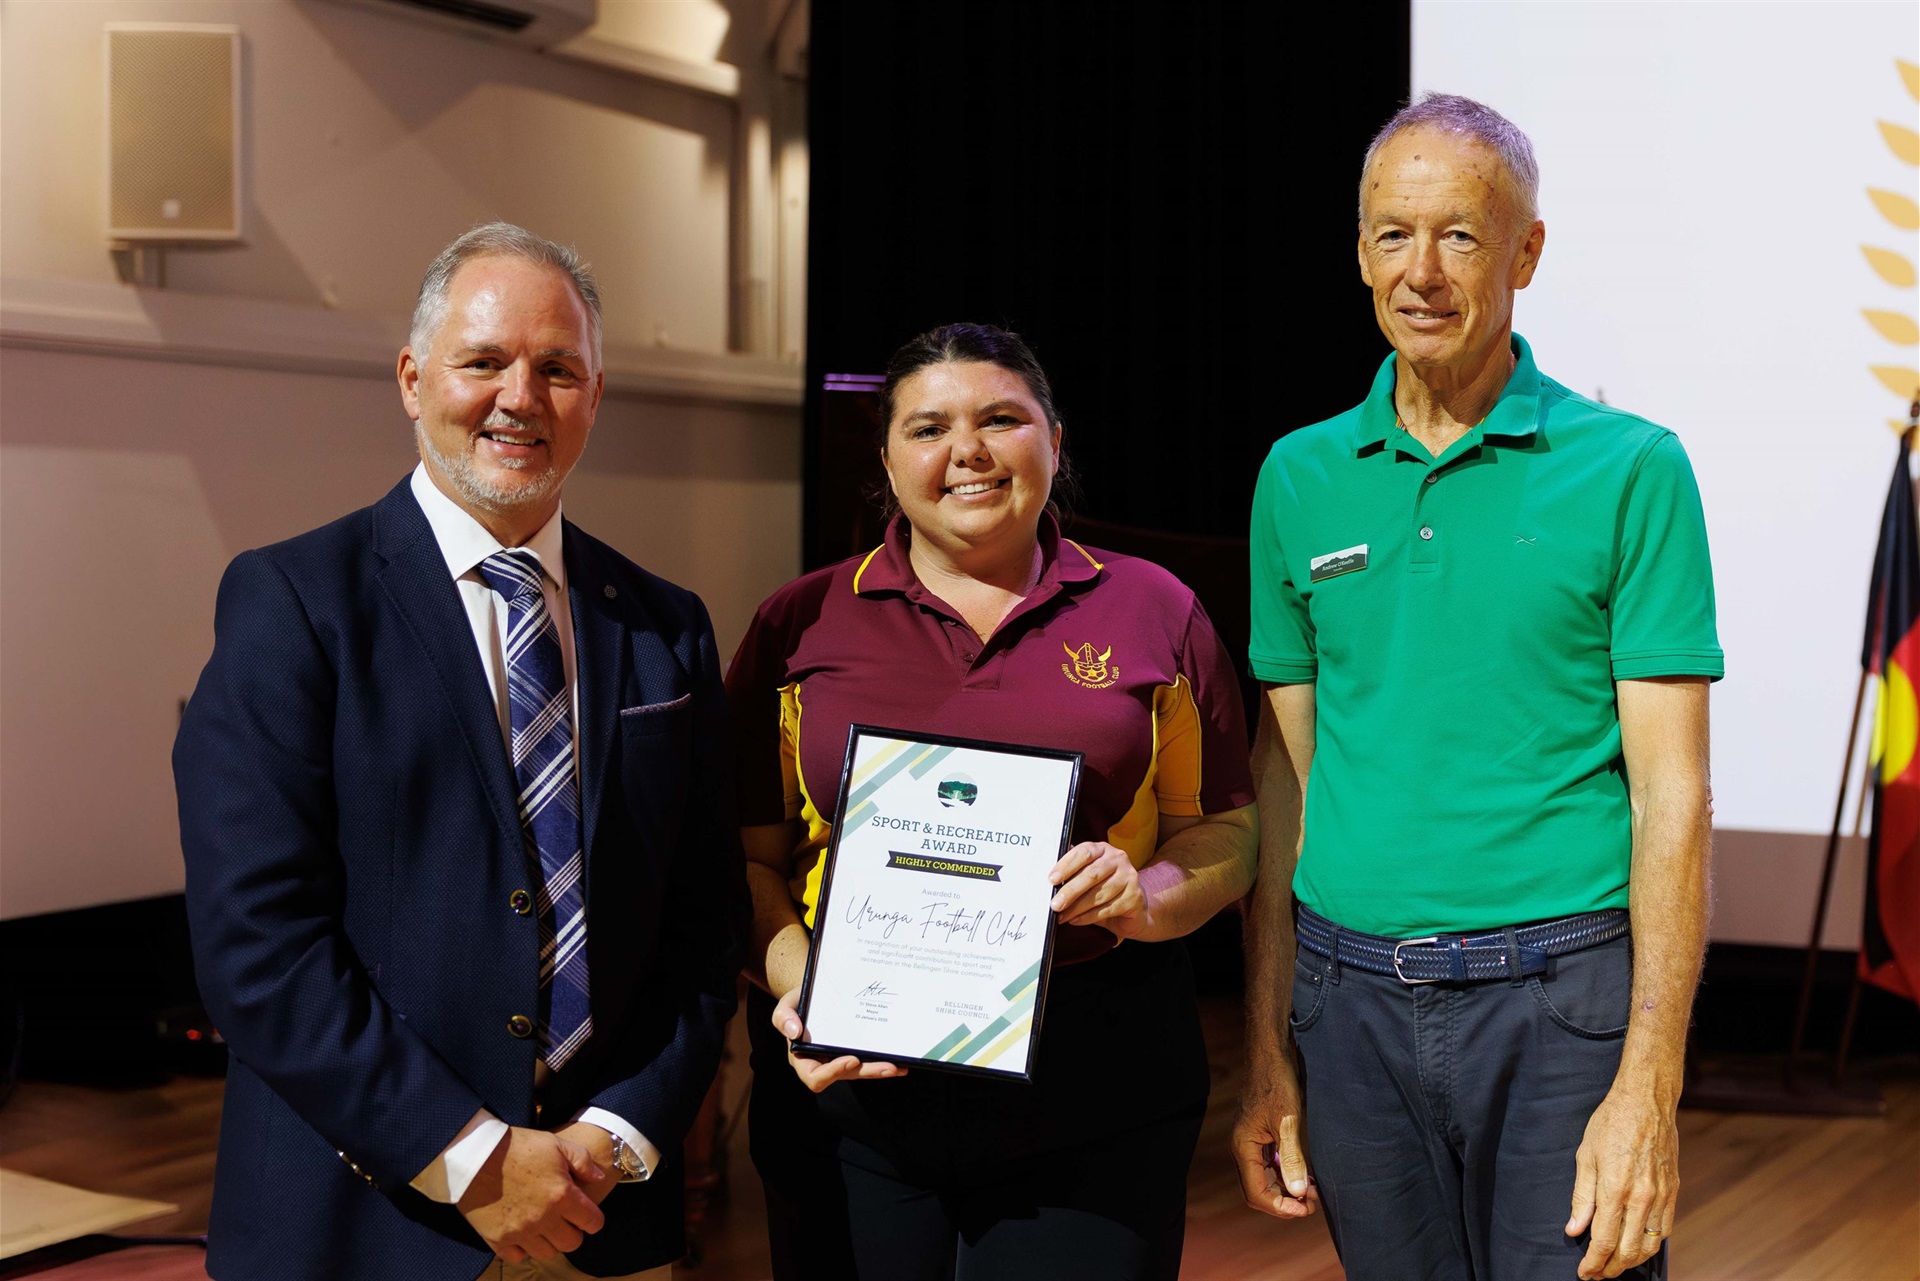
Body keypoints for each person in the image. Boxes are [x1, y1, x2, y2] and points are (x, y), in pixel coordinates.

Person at [174, 222, 745, 1281]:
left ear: (595, 395)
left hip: (600, 1215)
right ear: (411, 379)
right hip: (362, 1219)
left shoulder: (668, 627)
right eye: (483, 361)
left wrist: (615, 1136)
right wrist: (474, 1161)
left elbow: (703, 930)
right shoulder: (294, 603)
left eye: (557, 368)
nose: (520, 397)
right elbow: (258, 945)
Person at [1234, 94, 1720, 1281]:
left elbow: (1673, 798)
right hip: (1347, 1014)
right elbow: (1285, 789)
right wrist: (1265, 1048)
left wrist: (1648, 1090)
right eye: (1393, 235)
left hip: (1560, 1003)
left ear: (1527, 252)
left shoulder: (1632, 469)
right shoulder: (1298, 478)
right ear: (1359, 253)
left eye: (1460, 234)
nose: (1423, 271)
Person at [726, 323, 1258, 1281]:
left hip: (1097, 1077)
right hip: (853, 1076)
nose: (967, 450)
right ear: (885, 458)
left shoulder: (1154, 610)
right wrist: (799, 974)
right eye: (928, 427)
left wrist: (1146, 892)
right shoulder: (800, 622)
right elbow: (750, 859)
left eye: (1002, 419)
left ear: (1054, 438)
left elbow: (1227, 830)